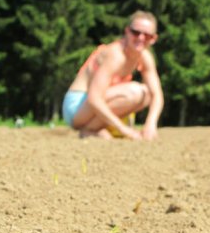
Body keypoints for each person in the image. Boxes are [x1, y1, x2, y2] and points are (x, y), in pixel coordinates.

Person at [62, 10, 164, 140]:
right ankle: (89, 129)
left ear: (154, 38)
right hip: (76, 106)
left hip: (91, 106)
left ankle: (93, 129)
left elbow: (157, 95)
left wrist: (151, 124)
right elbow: (94, 97)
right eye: (136, 32)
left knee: (146, 95)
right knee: (135, 92)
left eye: (147, 35)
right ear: (127, 31)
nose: (141, 38)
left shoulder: (145, 57)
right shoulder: (115, 55)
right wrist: (125, 130)